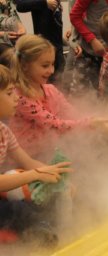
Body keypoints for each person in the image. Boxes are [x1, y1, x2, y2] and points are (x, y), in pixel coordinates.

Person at [9, 34, 108, 160]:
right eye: (45, 66)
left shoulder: (50, 90)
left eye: (52, 64)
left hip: (50, 154)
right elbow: (55, 125)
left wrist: (107, 117)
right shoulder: (19, 98)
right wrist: (93, 123)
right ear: (25, 65)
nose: (51, 70)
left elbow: (74, 114)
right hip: (27, 161)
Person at [0, 64, 72, 245]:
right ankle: (35, 233)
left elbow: (28, 162)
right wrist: (35, 175)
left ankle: (33, 229)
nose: (16, 98)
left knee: (41, 199)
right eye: (9, 93)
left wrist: (58, 177)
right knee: (16, 209)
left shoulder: (4, 131)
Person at [15, 0, 64, 81]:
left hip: (58, 46)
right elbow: (20, 6)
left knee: (60, 80)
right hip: (43, 46)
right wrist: (45, 3)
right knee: (48, 81)